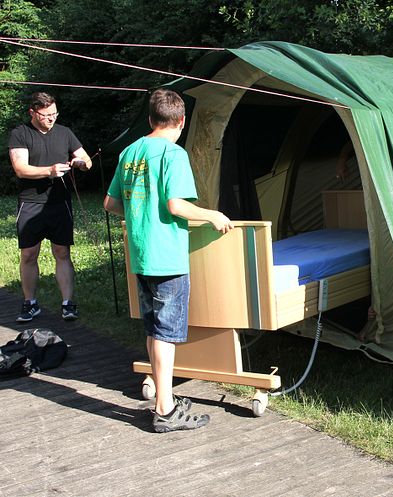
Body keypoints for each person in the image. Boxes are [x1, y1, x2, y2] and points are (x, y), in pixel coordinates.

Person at [104, 89, 233, 433]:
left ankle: (165, 396)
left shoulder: (130, 151)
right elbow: (176, 206)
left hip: (142, 253)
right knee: (166, 332)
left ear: (150, 119)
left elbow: (110, 203)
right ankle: (165, 408)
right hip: (167, 258)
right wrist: (212, 215)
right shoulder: (174, 154)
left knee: (153, 328)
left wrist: (139, 214)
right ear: (181, 121)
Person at [8, 92, 92, 323]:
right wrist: (49, 171)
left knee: (62, 252)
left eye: (54, 114)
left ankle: (68, 303)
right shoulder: (20, 134)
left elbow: (87, 159)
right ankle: (30, 303)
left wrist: (81, 163)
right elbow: (20, 168)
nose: (51, 119)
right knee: (28, 254)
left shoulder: (65, 132)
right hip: (31, 203)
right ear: (33, 112)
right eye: (46, 115)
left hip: (59, 202)